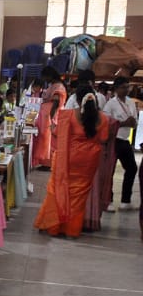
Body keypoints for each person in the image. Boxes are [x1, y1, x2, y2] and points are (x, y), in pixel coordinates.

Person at [35, 87, 111, 239]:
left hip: (67, 158)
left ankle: (53, 226)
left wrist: (53, 128)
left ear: (77, 100)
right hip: (89, 161)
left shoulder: (68, 115)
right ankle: (71, 230)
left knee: (57, 190)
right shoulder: (103, 118)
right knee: (78, 196)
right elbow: (103, 139)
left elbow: (58, 133)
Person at [102, 77, 139, 211]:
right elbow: (106, 124)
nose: (126, 90)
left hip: (125, 140)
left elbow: (134, 121)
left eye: (127, 87)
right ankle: (108, 201)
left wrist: (133, 123)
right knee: (110, 171)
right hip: (113, 140)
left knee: (132, 168)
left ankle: (125, 201)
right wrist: (123, 123)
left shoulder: (130, 102)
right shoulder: (110, 104)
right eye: (123, 87)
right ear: (116, 89)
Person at [32, 66, 66, 168]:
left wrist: (51, 118)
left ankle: (49, 163)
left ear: (50, 75)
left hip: (50, 116)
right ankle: (44, 161)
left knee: (50, 140)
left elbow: (56, 102)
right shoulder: (53, 85)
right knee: (44, 139)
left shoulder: (58, 87)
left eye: (45, 77)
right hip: (46, 117)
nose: (44, 79)